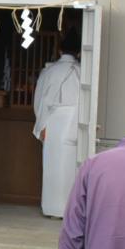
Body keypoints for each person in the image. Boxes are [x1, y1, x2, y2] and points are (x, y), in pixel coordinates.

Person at [32, 28, 83, 218]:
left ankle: (52, 208)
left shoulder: (49, 71)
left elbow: (41, 100)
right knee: (72, 167)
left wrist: (41, 125)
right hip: (76, 122)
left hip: (53, 122)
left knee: (53, 166)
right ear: (78, 52)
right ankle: (71, 211)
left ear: (60, 50)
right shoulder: (82, 73)